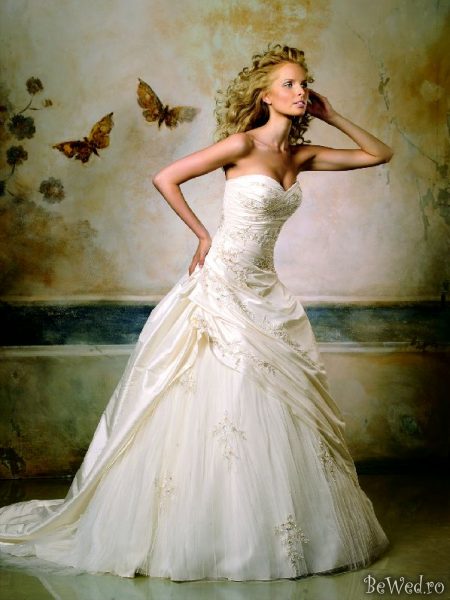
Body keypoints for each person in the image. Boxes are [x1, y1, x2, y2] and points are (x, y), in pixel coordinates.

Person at [0, 43, 392, 581]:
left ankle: (266, 528)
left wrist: (334, 114)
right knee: (223, 392)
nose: (300, 91)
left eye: (304, 83)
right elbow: (166, 177)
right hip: (222, 285)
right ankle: (207, 533)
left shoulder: (300, 155)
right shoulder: (241, 144)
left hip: (265, 289)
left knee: (268, 399)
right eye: (289, 84)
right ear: (264, 95)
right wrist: (203, 235)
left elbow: (379, 154)